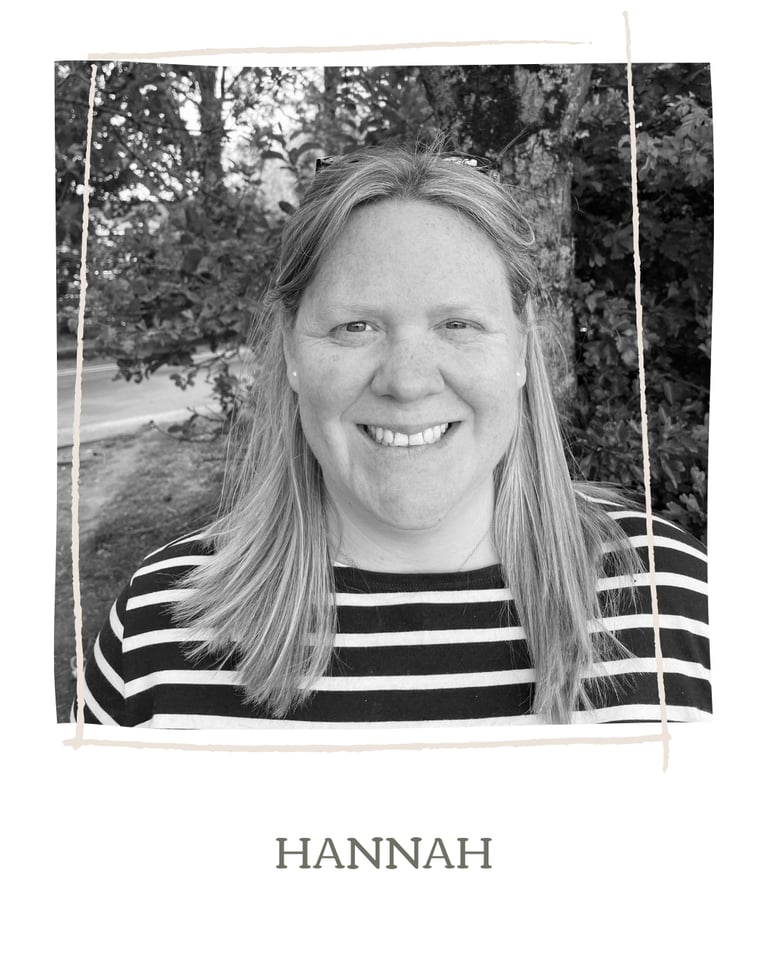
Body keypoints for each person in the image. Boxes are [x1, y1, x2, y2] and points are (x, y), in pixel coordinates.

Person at [78, 144, 711, 729]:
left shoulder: (676, 603)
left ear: (522, 345)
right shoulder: (159, 630)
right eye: (355, 327)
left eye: (458, 324)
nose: (407, 383)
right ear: (292, 351)